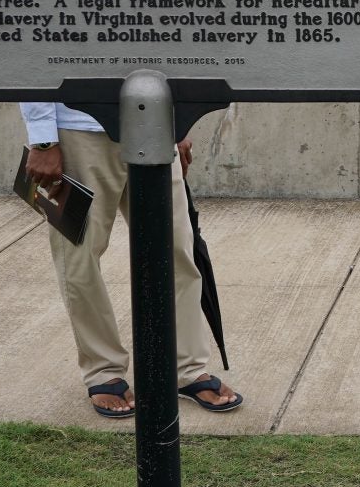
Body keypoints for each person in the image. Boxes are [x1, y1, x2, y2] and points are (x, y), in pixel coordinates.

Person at [21, 102, 243, 417]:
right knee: (79, 259)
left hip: (153, 124)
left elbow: (169, 51)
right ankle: (103, 370)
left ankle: (186, 368)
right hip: (77, 129)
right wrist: (43, 140)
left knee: (177, 251)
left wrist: (179, 121)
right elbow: (34, 55)